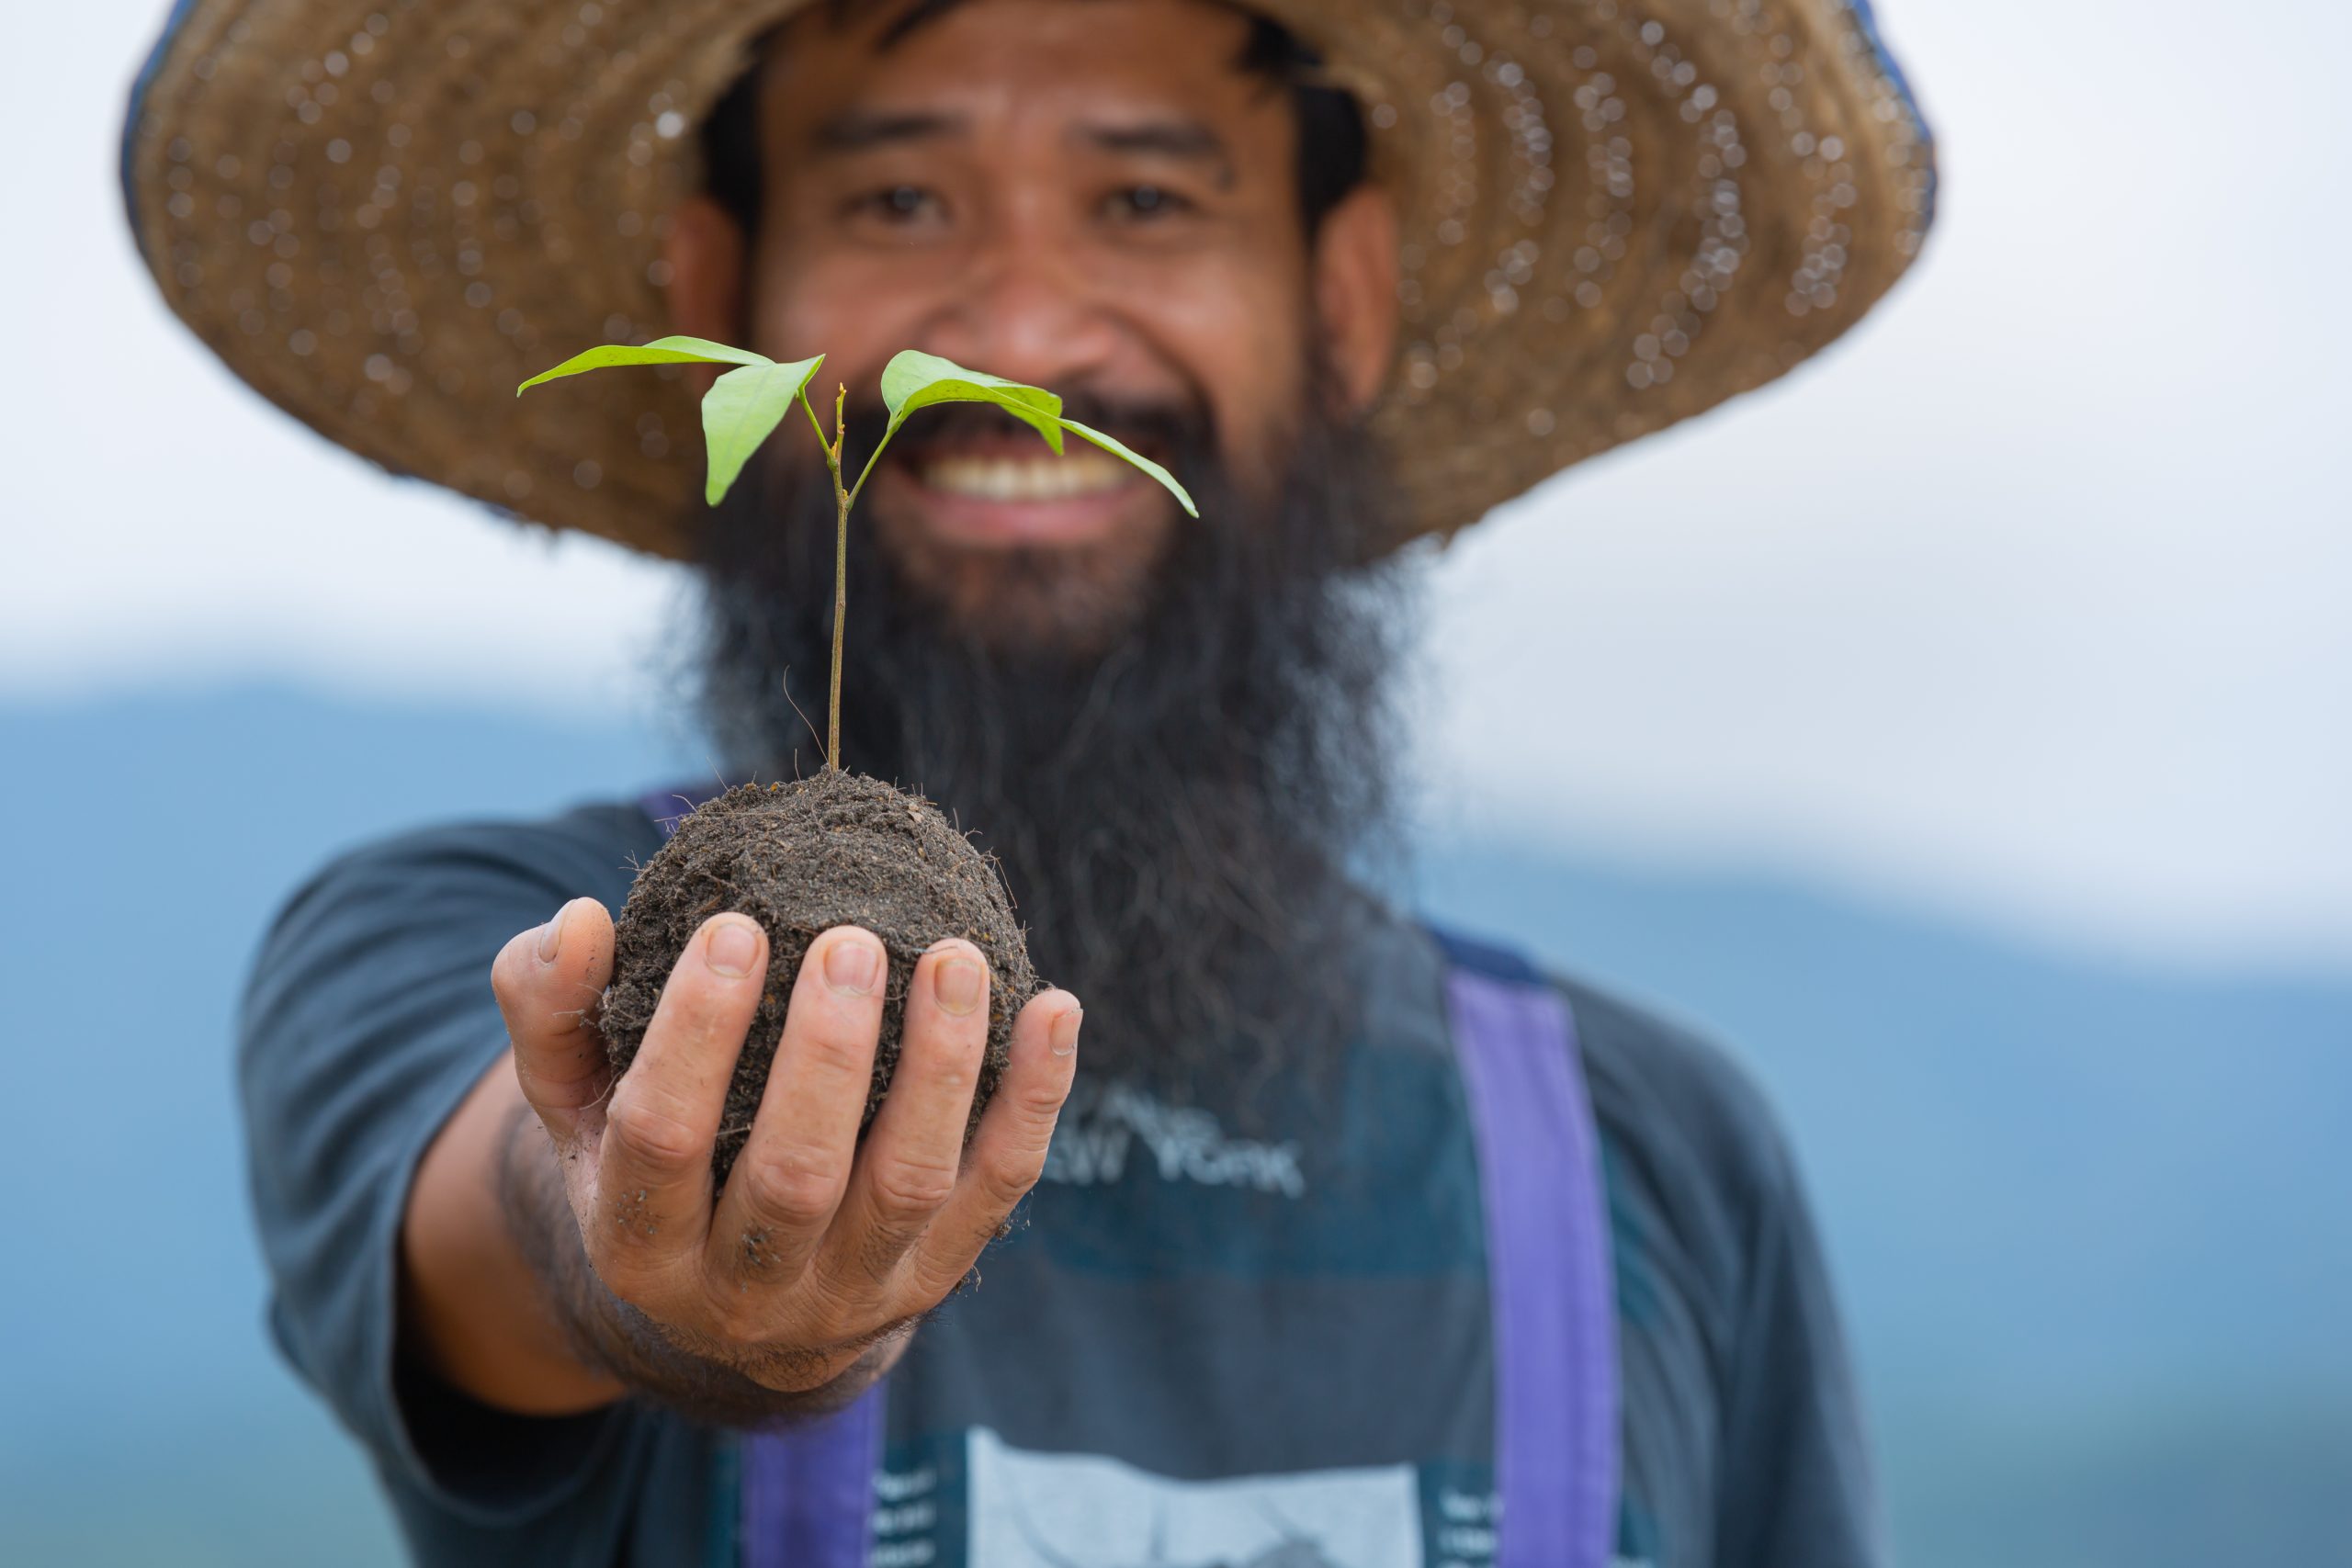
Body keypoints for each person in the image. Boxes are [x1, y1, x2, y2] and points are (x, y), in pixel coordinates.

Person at [124, 0, 1935, 1562]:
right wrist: (652, 1231)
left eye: (1142, 201)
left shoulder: (1657, 1155)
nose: (1014, 332)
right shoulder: (478, 939)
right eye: (898, 199)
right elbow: (522, 1222)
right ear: (713, 296)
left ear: (1340, 298)